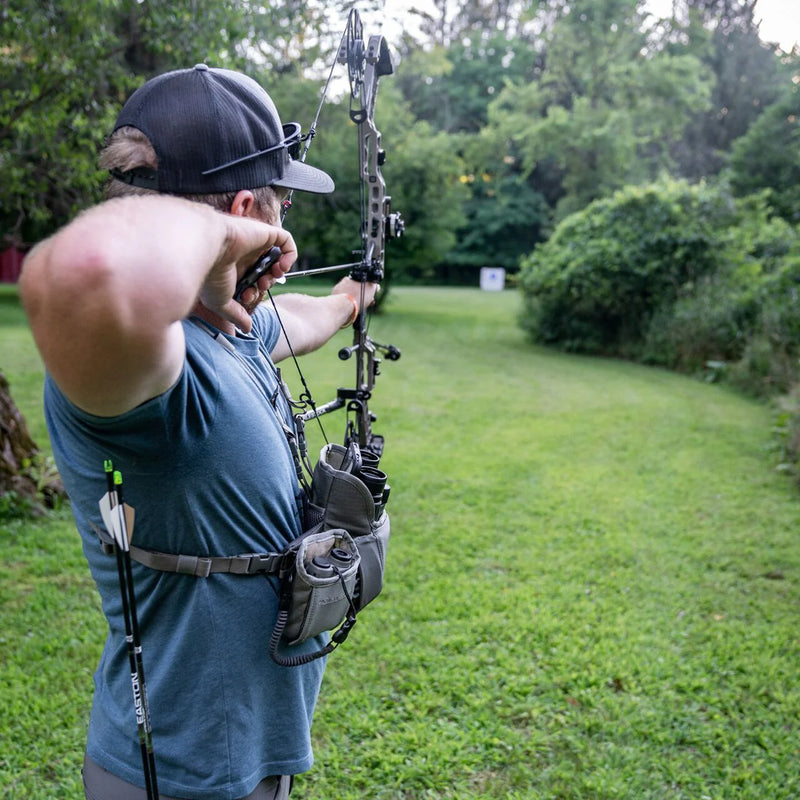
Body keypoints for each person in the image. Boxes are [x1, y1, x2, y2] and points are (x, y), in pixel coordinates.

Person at [20, 64, 379, 800]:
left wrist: (350, 297)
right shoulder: (144, 367)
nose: (287, 228)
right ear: (247, 209)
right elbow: (80, 270)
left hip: (251, 758)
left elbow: (300, 321)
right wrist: (227, 239)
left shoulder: (230, 325)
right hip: (174, 775)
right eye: (280, 207)